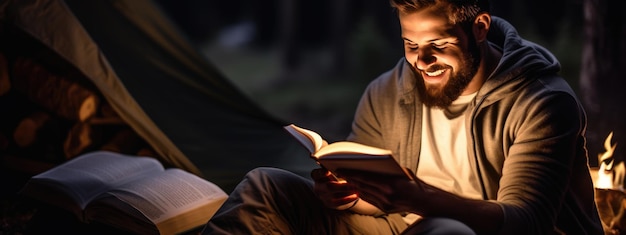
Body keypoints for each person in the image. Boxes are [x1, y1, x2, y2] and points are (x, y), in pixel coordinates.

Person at [201, 0, 604, 234]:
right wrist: (348, 194)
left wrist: (420, 198)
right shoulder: (387, 91)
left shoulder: (543, 102)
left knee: (444, 231)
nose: (421, 61)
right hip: (400, 227)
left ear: (479, 29)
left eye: (438, 45)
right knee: (264, 186)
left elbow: (525, 223)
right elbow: (376, 203)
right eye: (410, 44)